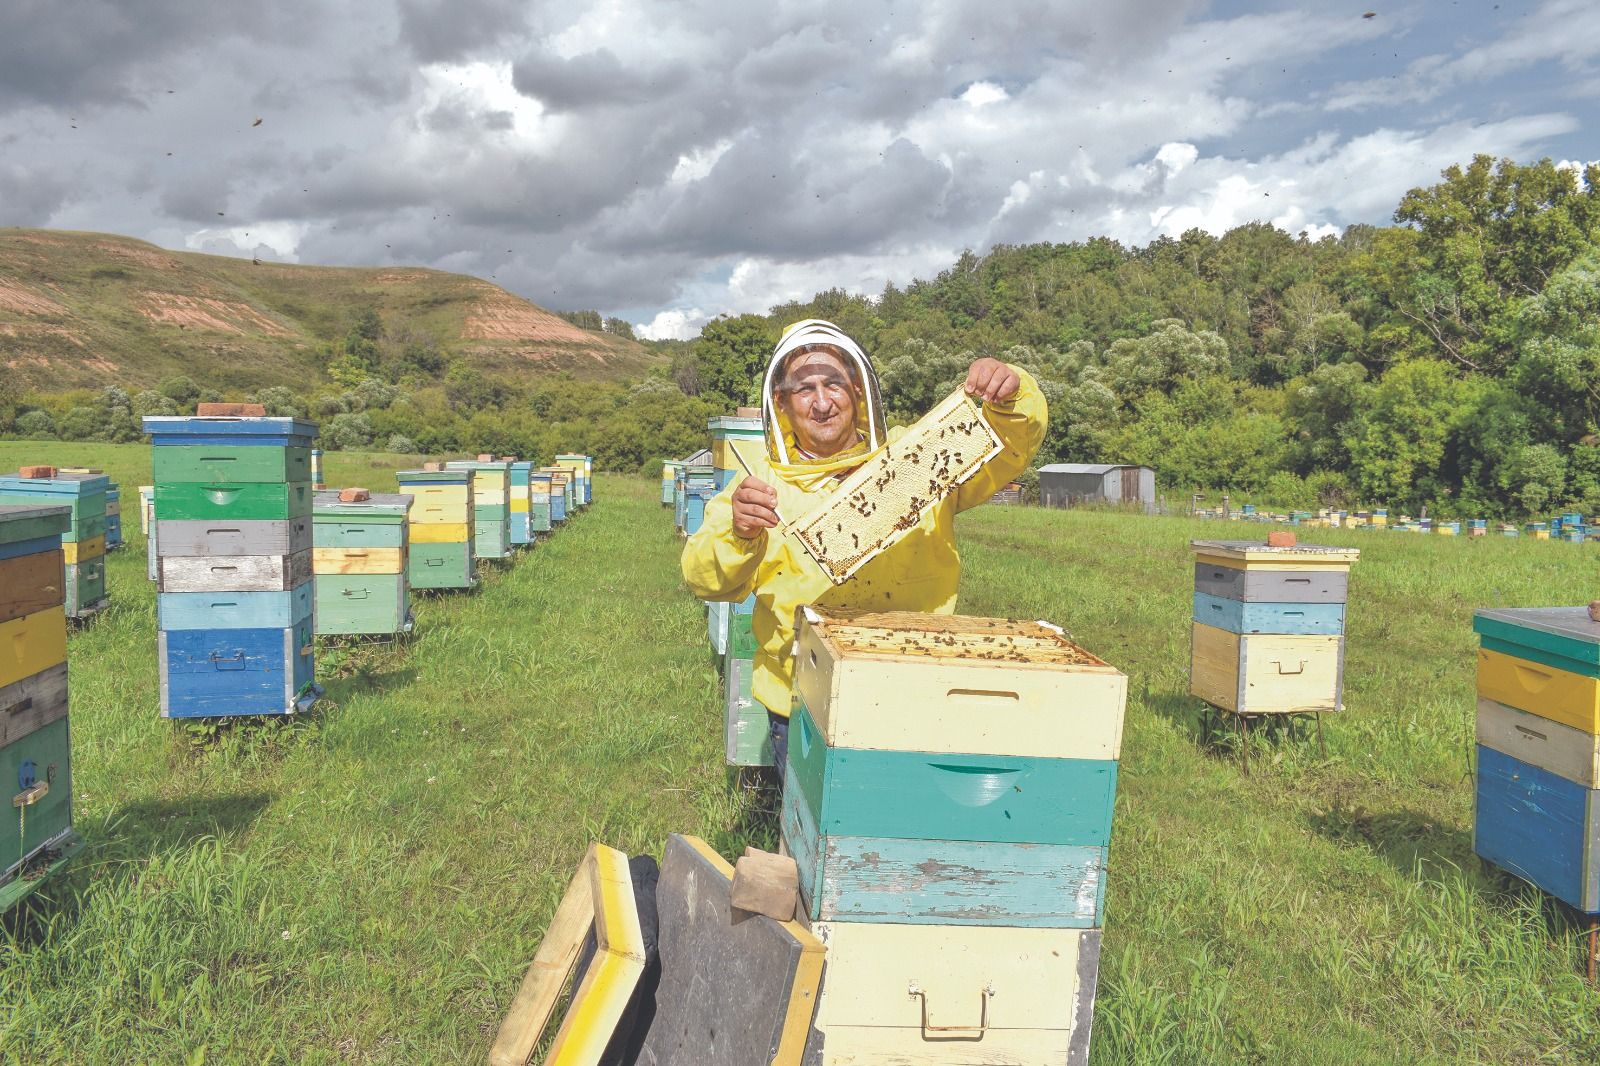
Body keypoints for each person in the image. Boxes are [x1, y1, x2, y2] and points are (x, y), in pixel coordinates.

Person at [681, 319, 1047, 774]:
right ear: (782, 403)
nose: (821, 402)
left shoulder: (916, 456)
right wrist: (739, 531)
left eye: (833, 383)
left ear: (857, 390)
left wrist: (1010, 394)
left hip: (912, 678)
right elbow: (702, 576)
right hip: (800, 693)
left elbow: (1008, 444)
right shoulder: (760, 484)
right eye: (804, 389)